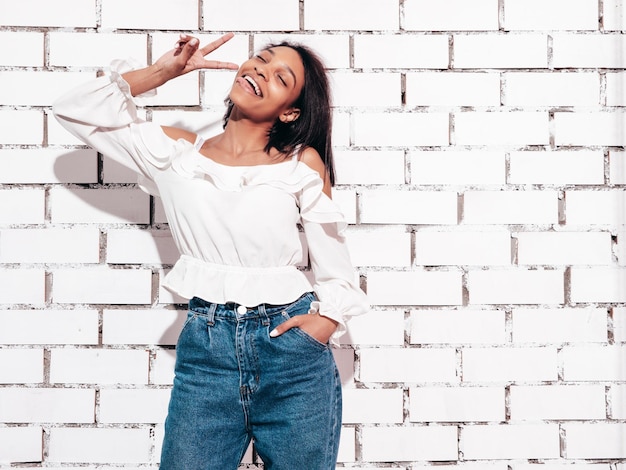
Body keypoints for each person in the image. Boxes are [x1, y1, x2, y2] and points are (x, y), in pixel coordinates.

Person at [53, 32, 368, 469]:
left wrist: (323, 322)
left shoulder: (301, 163)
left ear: (290, 110)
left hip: (292, 354)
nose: (260, 70)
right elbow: (75, 109)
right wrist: (164, 72)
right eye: (260, 59)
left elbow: (336, 266)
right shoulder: (177, 154)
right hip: (207, 351)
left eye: (281, 76)